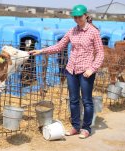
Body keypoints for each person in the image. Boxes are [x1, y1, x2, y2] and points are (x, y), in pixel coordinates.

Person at [29, 4, 104, 139]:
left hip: (86, 71)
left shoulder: (93, 32)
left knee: (87, 100)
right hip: (71, 70)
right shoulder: (72, 31)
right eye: (75, 17)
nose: (77, 19)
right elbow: (59, 46)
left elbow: (100, 53)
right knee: (73, 100)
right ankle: (75, 126)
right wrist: (41, 51)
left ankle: (86, 128)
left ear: (86, 16)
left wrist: (92, 69)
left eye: (79, 17)